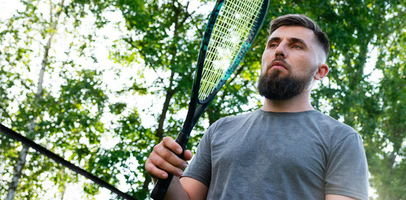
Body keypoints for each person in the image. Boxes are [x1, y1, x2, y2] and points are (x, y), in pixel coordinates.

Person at [146, 14, 369, 200]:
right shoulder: (219, 130)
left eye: (296, 45)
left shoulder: (341, 139)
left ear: (320, 71)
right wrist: (166, 176)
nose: (279, 50)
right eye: (273, 44)